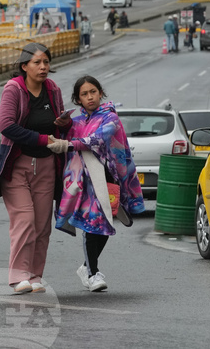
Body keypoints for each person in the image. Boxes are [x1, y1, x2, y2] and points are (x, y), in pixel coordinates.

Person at [0, 43, 72, 294]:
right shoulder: (14, 90)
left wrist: (64, 124)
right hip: (17, 165)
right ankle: (18, 277)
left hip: (47, 166)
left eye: (46, 62)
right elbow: (7, 126)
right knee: (25, 220)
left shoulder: (53, 89)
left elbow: (59, 126)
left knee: (43, 224)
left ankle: (34, 276)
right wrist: (43, 139)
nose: (44, 67)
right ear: (24, 66)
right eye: (37, 63)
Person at [48, 76, 144, 293]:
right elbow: (70, 136)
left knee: (103, 224)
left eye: (93, 92)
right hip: (83, 181)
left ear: (101, 93)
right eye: (84, 94)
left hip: (106, 177)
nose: (89, 97)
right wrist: (65, 127)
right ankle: (92, 272)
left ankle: (87, 268)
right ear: (77, 99)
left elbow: (98, 139)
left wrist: (67, 143)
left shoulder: (110, 117)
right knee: (93, 223)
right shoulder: (78, 120)